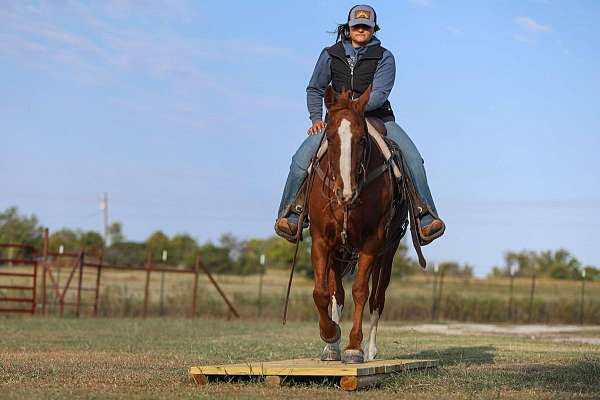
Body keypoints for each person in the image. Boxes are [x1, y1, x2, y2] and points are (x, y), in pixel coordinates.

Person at [275, 4, 445, 243]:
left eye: (366, 26)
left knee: (414, 159)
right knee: (300, 160)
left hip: (377, 117)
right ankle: (291, 214)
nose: (361, 30)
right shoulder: (329, 54)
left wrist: (353, 108)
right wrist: (315, 118)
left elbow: (380, 93)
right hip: (336, 121)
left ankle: (424, 215)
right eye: (357, 26)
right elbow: (315, 88)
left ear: (374, 29)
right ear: (349, 28)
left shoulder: (385, 56)